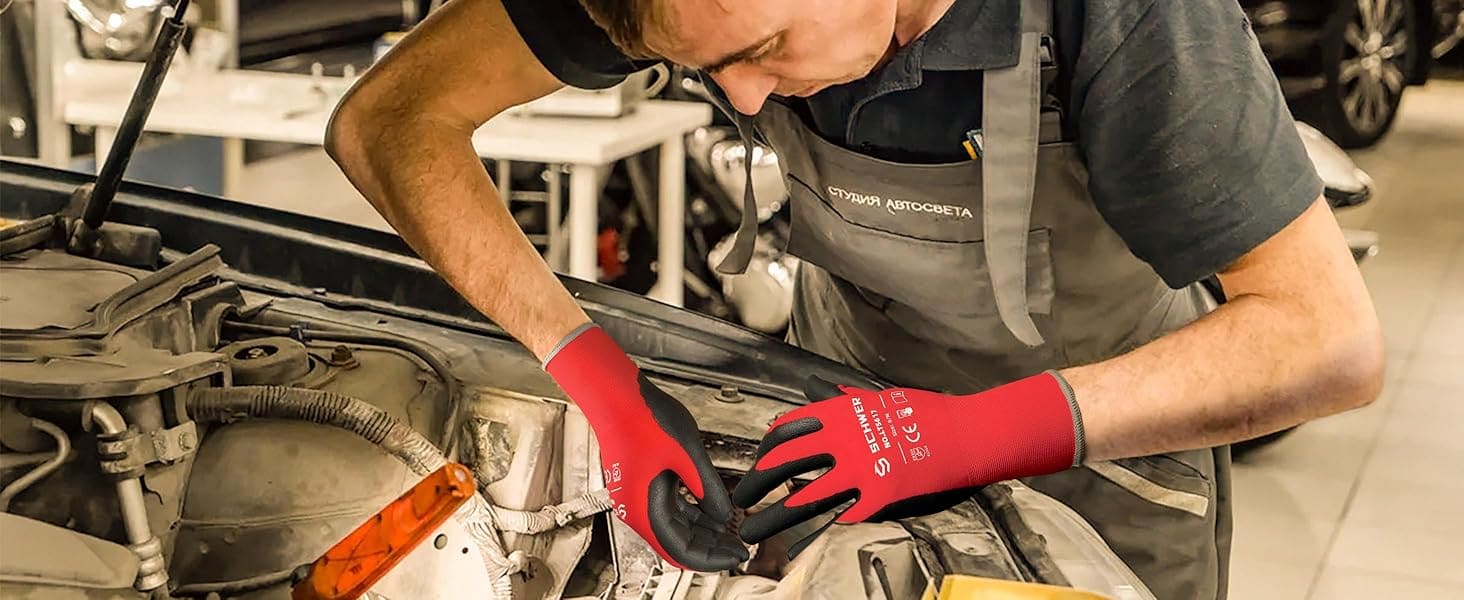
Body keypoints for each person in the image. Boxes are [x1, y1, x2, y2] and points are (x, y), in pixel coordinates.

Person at [324, 0, 1386, 597]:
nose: (736, 97)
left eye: (760, 53)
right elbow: (388, 120)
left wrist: (980, 434)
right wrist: (595, 373)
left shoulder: (1132, 17)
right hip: (840, 438)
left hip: (1101, 477)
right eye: (704, 70)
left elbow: (1325, 338)